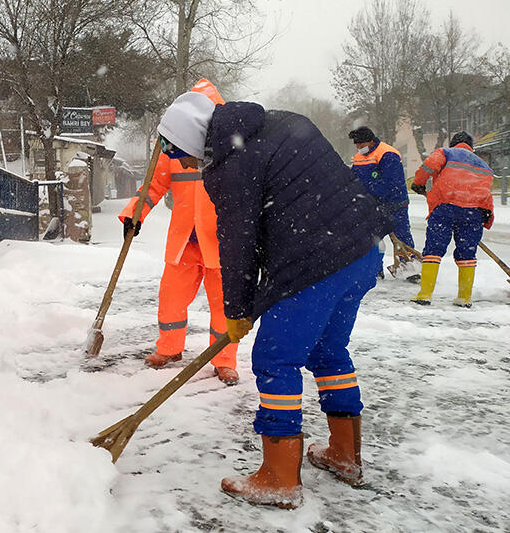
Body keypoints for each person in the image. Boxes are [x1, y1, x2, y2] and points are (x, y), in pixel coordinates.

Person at [155, 90, 392, 508]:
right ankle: (344, 455)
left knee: (274, 359)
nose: (184, 164)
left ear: (194, 140)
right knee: (328, 351)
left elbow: (237, 244)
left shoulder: (230, 167)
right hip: (365, 247)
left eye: (180, 154)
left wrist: (238, 312)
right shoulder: (280, 120)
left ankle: (280, 478)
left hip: (318, 259)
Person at [118, 79, 240, 385]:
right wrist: (134, 214)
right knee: (171, 297)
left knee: (223, 305)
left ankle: (224, 360)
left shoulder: (232, 148)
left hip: (221, 241)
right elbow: (153, 186)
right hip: (185, 238)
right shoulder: (173, 147)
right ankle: (169, 349)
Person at [410, 131, 494, 308]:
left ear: (454, 143)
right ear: (471, 147)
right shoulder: (483, 165)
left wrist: (418, 182)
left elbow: (428, 166)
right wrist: (487, 214)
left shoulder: (446, 153)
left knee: (434, 248)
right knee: (467, 253)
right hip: (473, 213)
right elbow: (486, 194)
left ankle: (425, 294)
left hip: (445, 207)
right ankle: (464, 298)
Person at [347, 126, 417, 278]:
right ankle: (375, 270)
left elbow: (391, 182)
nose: (358, 147)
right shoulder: (359, 157)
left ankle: (408, 267)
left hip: (394, 203)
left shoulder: (387, 154)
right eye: (356, 145)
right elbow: (353, 179)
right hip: (371, 204)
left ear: (370, 141)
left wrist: (372, 196)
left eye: (360, 144)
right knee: (372, 239)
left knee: (400, 236)